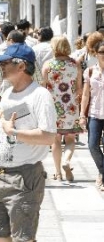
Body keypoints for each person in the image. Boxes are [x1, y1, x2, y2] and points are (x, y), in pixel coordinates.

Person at [0, 43, 57, 242]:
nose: (1, 66)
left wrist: (15, 133)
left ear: (22, 66)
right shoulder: (8, 93)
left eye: (6, 62)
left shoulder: (40, 95)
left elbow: (48, 136)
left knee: (23, 238)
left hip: (24, 178)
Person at [42, 36, 83, 181]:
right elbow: (79, 89)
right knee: (71, 138)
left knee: (56, 140)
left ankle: (58, 172)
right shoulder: (75, 64)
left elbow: (42, 88)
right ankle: (67, 161)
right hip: (71, 107)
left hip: (53, 108)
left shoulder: (48, 65)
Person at [79, 40, 104, 191]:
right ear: (95, 53)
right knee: (92, 145)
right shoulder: (89, 71)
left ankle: (102, 174)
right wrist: (82, 114)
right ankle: (102, 170)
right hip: (95, 113)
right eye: (102, 52)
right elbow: (86, 95)